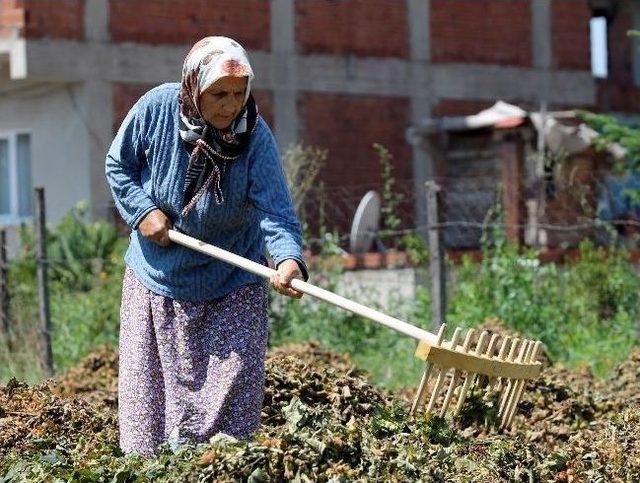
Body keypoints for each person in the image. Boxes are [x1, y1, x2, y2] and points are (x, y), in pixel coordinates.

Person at [105, 36, 308, 457]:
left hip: (230, 283)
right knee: (150, 410)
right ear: (194, 88)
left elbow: (276, 211)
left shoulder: (254, 137)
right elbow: (118, 166)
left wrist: (287, 258)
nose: (229, 106)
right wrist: (142, 212)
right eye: (218, 94)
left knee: (227, 411)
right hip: (157, 278)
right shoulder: (157, 108)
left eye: (238, 93)